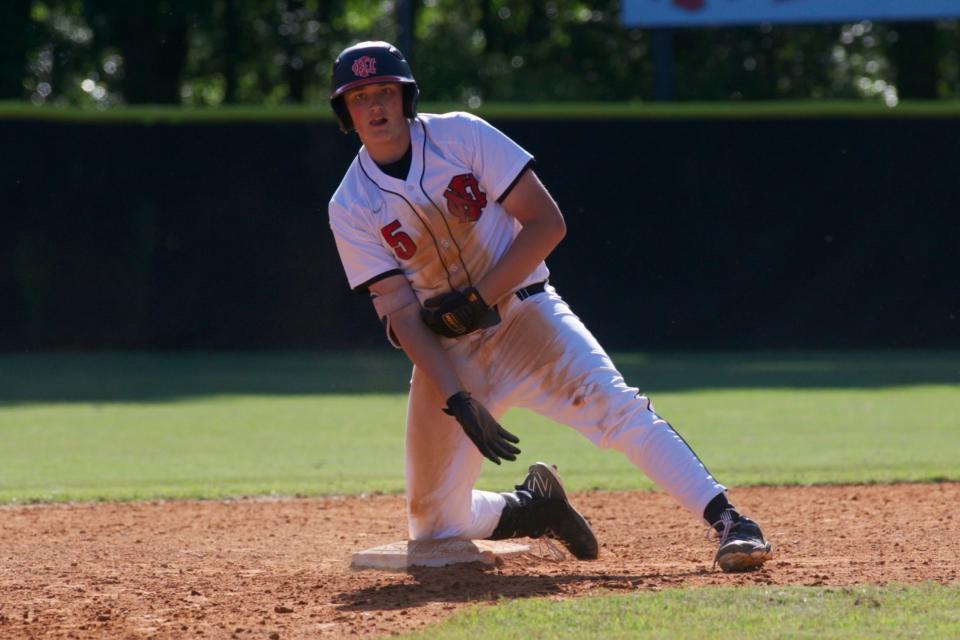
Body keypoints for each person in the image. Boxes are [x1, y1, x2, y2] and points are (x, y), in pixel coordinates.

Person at [327, 41, 772, 572]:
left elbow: (546, 222)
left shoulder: (461, 136)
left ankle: (731, 521)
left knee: (617, 408)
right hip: (451, 354)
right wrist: (457, 398)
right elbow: (401, 315)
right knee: (434, 524)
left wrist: (478, 299)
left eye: (384, 92)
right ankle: (536, 507)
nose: (375, 106)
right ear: (345, 113)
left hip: (525, 318)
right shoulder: (351, 205)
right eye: (358, 97)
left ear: (405, 98)